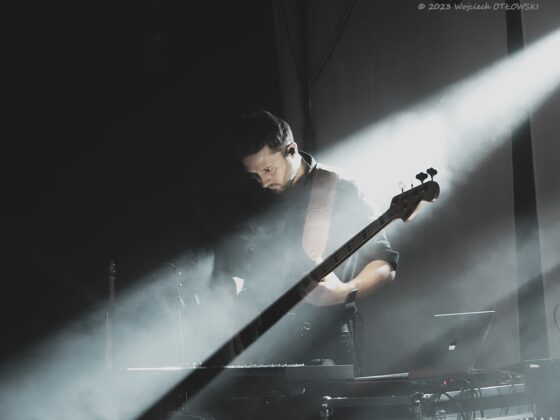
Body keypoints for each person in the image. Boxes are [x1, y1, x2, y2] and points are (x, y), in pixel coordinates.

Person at [212, 110, 398, 368]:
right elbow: (230, 269)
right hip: (260, 345)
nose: (263, 182)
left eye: (268, 169)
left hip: (325, 340)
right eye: (254, 175)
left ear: (291, 150)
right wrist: (230, 315)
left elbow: (384, 263)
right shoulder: (250, 199)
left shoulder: (340, 189)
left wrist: (343, 292)